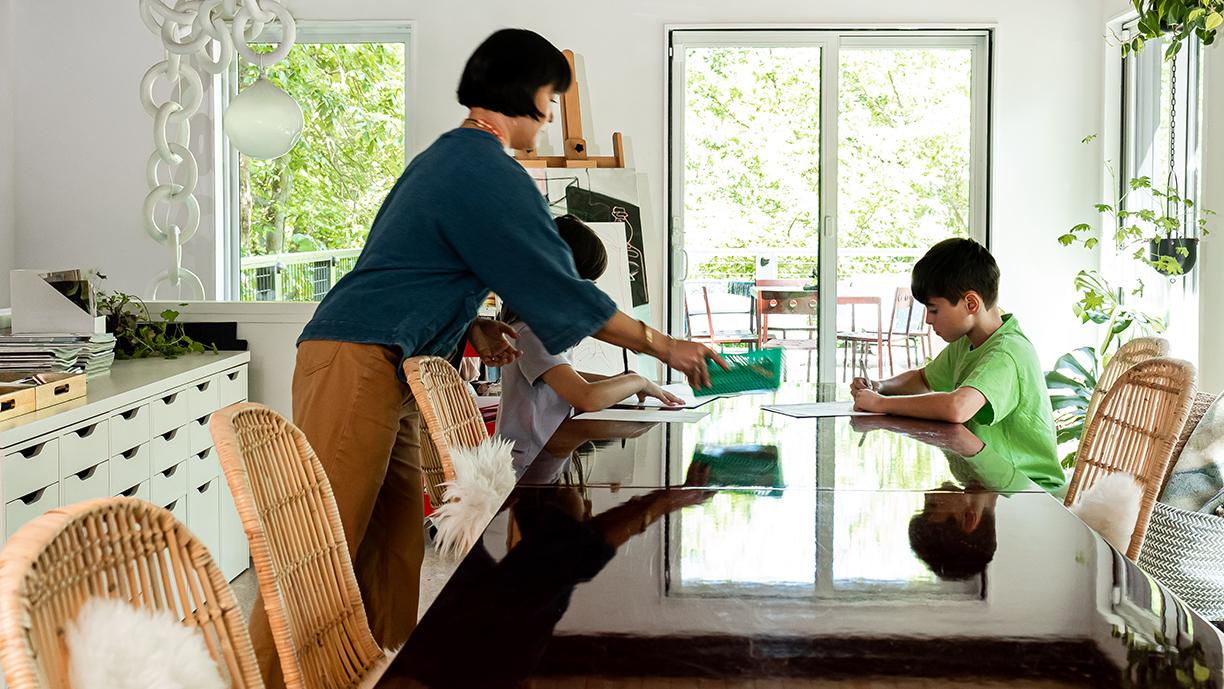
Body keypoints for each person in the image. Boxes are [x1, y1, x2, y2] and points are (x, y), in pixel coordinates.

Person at [255, 28, 726, 688]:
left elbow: (414, 267)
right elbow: (556, 284)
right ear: (528, 93)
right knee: (320, 553)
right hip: (357, 354)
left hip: (384, 357)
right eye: (551, 97)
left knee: (390, 552)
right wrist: (660, 342)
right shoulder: (482, 168)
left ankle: (385, 675)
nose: (554, 113)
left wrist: (470, 323)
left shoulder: (452, 158)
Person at [849, 238, 1064, 492]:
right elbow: (923, 379)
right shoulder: (968, 341)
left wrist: (881, 404)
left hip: (1027, 491)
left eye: (934, 310)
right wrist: (880, 386)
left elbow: (957, 408)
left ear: (971, 304)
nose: (928, 320)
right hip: (989, 487)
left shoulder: (1007, 352)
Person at [497, 215, 684, 465]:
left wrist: (619, 382)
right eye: (586, 284)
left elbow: (560, 379)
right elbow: (585, 396)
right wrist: (634, 380)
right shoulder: (532, 331)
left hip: (541, 456)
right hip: (526, 467)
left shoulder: (541, 327)